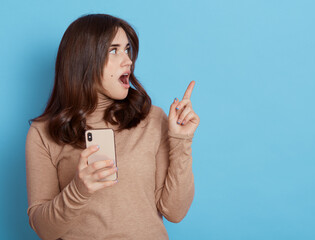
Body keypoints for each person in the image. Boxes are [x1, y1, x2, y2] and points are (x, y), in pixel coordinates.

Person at [25, 13, 200, 240]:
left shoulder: (153, 119)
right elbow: (43, 230)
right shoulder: (43, 133)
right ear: (84, 60)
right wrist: (78, 190)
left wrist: (181, 142)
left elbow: (175, 212)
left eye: (127, 49)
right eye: (114, 50)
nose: (128, 60)